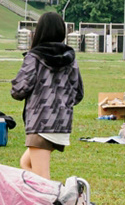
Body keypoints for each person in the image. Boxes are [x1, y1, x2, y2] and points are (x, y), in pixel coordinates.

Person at [10, 9, 82, 178]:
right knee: (25, 163)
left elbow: (19, 90)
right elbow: (78, 93)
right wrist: (62, 104)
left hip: (40, 122)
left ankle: (59, 193)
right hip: (62, 123)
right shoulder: (70, 58)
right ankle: (52, 192)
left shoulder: (34, 57)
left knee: (42, 178)